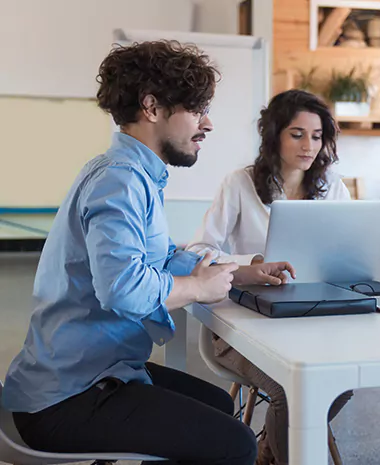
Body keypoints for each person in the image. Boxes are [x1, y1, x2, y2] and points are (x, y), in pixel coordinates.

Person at [1, 40, 295, 465]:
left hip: (90, 374)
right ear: (152, 107)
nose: (208, 124)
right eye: (197, 109)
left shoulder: (130, 173)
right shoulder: (119, 181)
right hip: (66, 397)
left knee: (218, 403)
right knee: (235, 444)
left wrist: (238, 272)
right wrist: (195, 286)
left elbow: (157, 258)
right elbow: (123, 290)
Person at [186, 89, 353, 465]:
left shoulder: (333, 188)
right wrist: (252, 262)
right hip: (242, 322)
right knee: (287, 388)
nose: (309, 145)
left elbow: (346, 253)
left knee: (342, 383)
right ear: (274, 135)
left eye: (316, 135)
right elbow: (197, 252)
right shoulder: (240, 184)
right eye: (297, 134)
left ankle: (271, 455)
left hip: (311, 320)